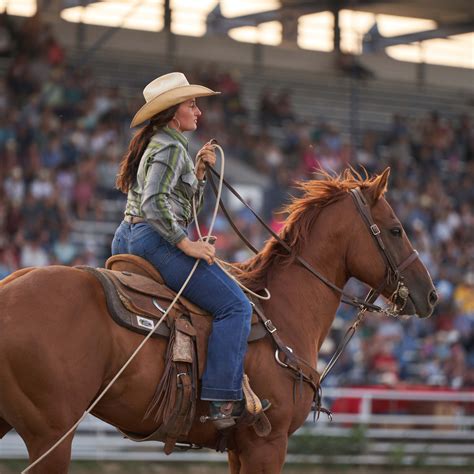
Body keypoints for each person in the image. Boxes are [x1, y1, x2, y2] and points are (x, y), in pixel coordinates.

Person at [112, 72, 254, 424]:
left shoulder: (158, 142)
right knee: (235, 306)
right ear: (175, 111)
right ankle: (222, 401)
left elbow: (179, 205)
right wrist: (186, 245)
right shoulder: (172, 147)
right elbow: (155, 203)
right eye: (192, 104)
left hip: (125, 238)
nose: (198, 112)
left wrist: (200, 174)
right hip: (152, 241)